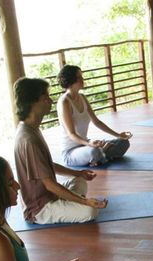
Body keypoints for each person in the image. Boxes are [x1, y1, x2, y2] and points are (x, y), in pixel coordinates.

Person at [13, 77, 107, 225]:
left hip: (50, 196)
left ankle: (70, 201)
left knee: (80, 180)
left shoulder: (31, 129)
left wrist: (78, 173)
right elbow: (49, 184)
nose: (50, 101)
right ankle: (74, 203)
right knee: (90, 211)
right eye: (46, 98)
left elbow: (47, 165)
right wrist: (84, 202)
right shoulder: (28, 139)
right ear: (34, 103)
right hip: (41, 207)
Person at [56, 65, 132, 167]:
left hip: (85, 145)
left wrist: (118, 135)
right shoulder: (64, 102)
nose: (83, 79)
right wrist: (90, 144)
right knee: (94, 151)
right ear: (71, 80)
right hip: (71, 153)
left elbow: (97, 122)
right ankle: (101, 154)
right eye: (79, 77)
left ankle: (101, 156)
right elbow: (71, 134)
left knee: (123, 143)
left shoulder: (82, 97)